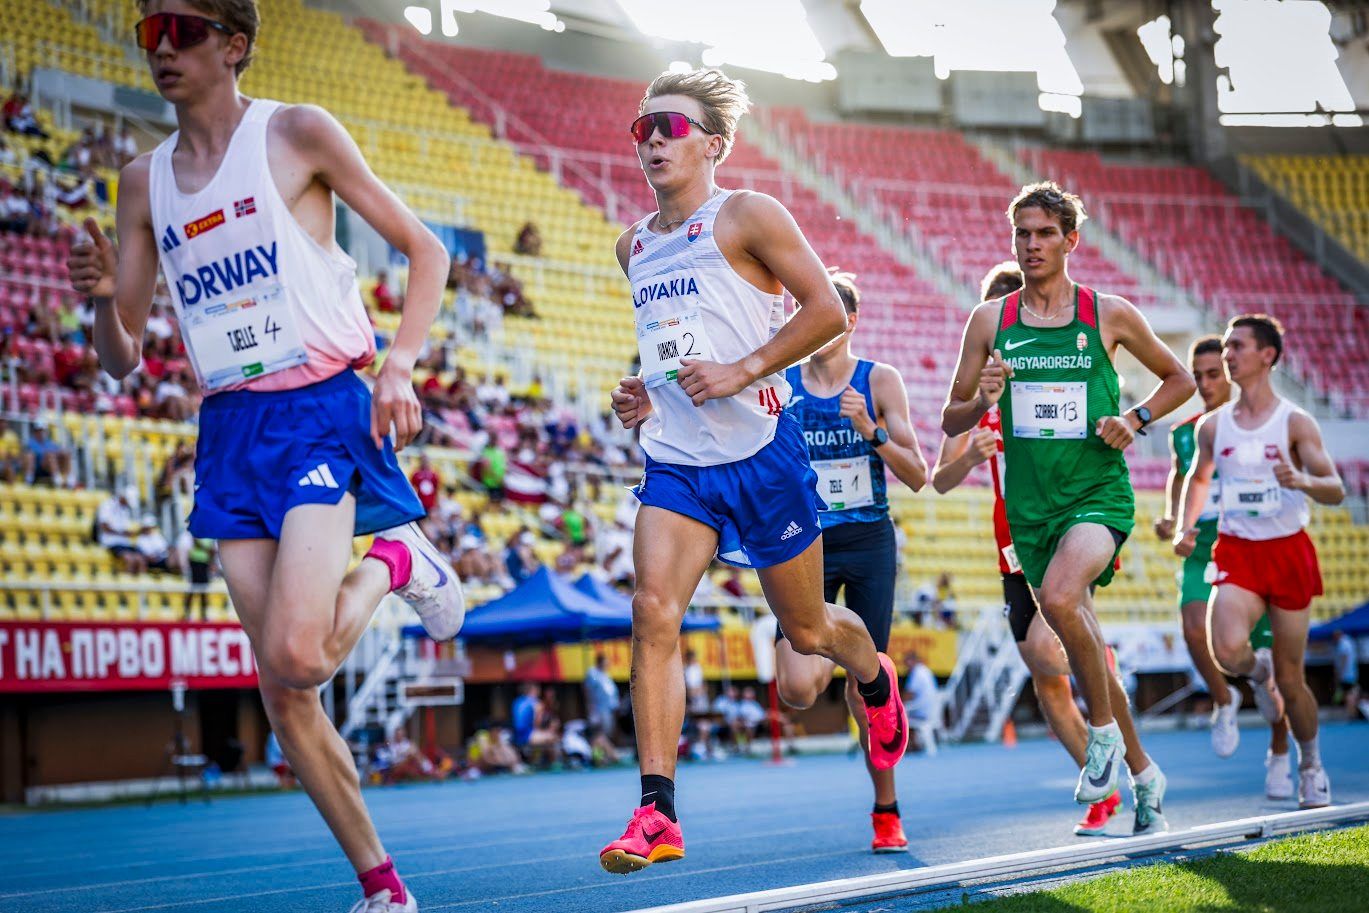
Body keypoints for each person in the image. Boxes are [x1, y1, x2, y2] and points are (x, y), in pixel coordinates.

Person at [65, 4, 464, 910]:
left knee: (298, 652)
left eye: (183, 29)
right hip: (231, 427)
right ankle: (384, 888)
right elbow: (122, 356)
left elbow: (426, 250)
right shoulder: (143, 182)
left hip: (320, 408)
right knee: (284, 692)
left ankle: (397, 559)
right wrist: (101, 300)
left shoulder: (295, 133)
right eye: (150, 32)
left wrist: (399, 363)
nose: (163, 48)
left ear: (234, 44)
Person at [600, 68, 908, 875]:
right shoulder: (632, 245)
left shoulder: (747, 214)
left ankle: (873, 678)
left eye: (670, 126)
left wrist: (742, 370)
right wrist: (646, 392)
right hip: (678, 462)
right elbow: (674, 342)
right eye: (642, 128)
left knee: (808, 635)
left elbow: (825, 311)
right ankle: (656, 811)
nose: (653, 140)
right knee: (651, 611)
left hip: (762, 454)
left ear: (713, 144)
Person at [942, 182, 1195, 835]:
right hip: (1029, 511)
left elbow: (1181, 379)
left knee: (1059, 598)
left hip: (1096, 493)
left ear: (1070, 240)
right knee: (1079, 635)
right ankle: (1144, 773)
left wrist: (1135, 418)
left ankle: (1102, 734)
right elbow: (950, 417)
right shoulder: (988, 322)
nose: (1031, 244)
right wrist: (982, 399)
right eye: (1022, 234)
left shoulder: (1107, 313)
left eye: (1045, 233)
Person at [933, 261, 1122, 835]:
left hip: (1061, 528)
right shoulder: (979, 400)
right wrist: (971, 455)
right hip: (1010, 544)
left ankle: (1100, 672)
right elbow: (940, 479)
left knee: (1047, 648)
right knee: (1044, 678)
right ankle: (1102, 790)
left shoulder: (1058, 378)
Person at [773, 269, 927, 853]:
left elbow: (918, 474)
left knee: (866, 694)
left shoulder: (878, 380)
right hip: (802, 542)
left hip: (866, 544)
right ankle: (854, 663)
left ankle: (887, 810)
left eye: (822, 313)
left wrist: (870, 429)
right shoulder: (783, 382)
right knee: (797, 688)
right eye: (802, 310)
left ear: (849, 321)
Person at [1175, 314, 1345, 808]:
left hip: (1287, 550)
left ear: (1267, 355)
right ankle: (1255, 669)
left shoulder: (1294, 421)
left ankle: (1310, 764)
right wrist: (1185, 525)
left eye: (1238, 346)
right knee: (1227, 650)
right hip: (1238, 549)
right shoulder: (1213, 426)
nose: (1228, 354)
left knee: (1292, 681)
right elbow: (1198, 477)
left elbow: (1334, 488)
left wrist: (1301, 480)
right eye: (1226, 346)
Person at [1156, 335, 1291, 796]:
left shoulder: (1263, 425)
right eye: (1197, 376)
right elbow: (1180, 476)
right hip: (1203, 549)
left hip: (1252, 546)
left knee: (1273, 669)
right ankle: (1223, 698)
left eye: (1213, 374)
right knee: (1193, 627)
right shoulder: (1185, 432)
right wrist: (1173, 520)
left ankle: (1279, 753)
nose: (1205, 384)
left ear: (1232, 373)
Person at [98, 486, 147, 575]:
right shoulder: (107, 505)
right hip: (111, 541)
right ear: (123, 497)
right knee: (130, 559)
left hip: (123, 542)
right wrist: (123, 533)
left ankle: (140, 582)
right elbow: (104, 527)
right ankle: (128, 582)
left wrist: (129, 533)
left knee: (141, 559)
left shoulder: (125, 510)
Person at [584, 653, 621, 740]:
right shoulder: (592, 673)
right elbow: (587, 690)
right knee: (600, 732)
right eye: (606, 662)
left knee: (608, 731)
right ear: (600, 662)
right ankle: (600, 748)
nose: (608, 664)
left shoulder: (606, 674)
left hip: (609, 708)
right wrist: (591, 707)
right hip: (599, 708)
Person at [1333, 631, 1361, 721]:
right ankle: (1352, 713)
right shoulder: (1349, 641)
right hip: (1351, 673)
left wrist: (1340, 672)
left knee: (1349, 695)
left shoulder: (1343, 643)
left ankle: (1351, 714)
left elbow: (1344, 658)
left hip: (1346, 675)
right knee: (1351, 694)